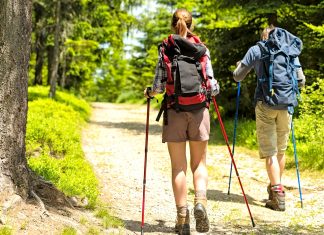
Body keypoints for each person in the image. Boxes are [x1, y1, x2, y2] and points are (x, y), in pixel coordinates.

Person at [144, 8, 219, 234]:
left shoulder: (166, 49)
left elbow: (158, 87)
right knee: (199, 164)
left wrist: (149, 93)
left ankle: (182, 219)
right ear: (191, 24)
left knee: (179, 167)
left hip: (174, 111)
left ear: (172, 25)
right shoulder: (202, 50)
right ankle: (201, 203)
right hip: (199, 111)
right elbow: (213, 87)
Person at [233, 25, 305, 211]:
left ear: (264, 36)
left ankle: (277, 193)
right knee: (280, 150)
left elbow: (238, 77)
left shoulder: (256, 49)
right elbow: (301, 81)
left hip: (265, 103)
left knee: (270, 152)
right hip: (286, 105)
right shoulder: (290, 50)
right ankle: (275, 188)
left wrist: (239, 67)